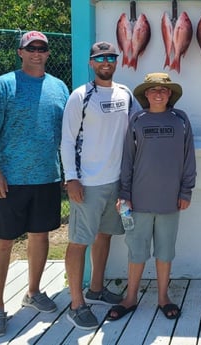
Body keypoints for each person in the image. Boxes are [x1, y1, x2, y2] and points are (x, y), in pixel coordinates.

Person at [0, 31, 69, 338]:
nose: (36, 52)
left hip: (48, 176)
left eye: (41, 48)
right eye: (30, 47)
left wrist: (66, 171)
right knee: (3, 242)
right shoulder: (2, 85)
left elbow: (66, 136)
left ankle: (33, 292)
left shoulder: (59, 87)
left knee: (40, 236)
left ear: (48, 53)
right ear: (20, 52)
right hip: (10, 179)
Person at [60, 41, 142, 330]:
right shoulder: (80, 96)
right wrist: (71, 178)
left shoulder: (126, 93)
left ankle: (95, 289)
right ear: (91, 63)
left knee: (104, 236)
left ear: (116, 62)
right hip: (87, 183)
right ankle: (76, 303)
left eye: (110, 57)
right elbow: (67, 140)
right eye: (100, 58)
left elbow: (136, 130)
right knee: (79, 241)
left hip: (116, 181)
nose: (106, 62)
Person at [105, 72, 196, 322]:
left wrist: (186, 190)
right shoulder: (137, 120)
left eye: (163, 90)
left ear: (170, 94)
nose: (158, 93)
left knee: (165, 252)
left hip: (170, 201)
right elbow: (128, 160)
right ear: (146, 94)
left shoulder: (181, 119)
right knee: (136, 252)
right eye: (153, 89)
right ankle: (130, 297)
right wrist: (125, 194)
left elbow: (189, 158)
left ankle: (163, 297)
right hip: (138, 201)